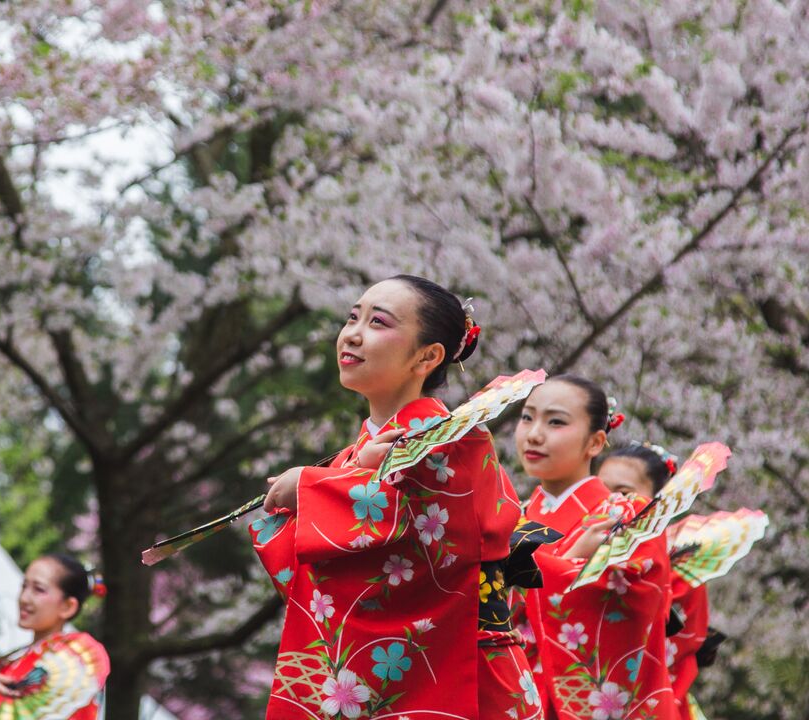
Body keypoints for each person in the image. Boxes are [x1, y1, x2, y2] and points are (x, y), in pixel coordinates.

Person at [250, 275, 543, 720]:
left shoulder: (454, 439)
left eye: (378, 322)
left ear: (428, 356)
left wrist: (312, 487)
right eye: (353, 317)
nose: (353, 333)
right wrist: (335, 480)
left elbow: (424, 531)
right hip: (373, 674)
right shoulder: (356, 455)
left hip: (465, 669)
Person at [514, 376, 675, 719]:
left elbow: (641, 600)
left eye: (555, 421)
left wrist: (529, 568)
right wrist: (570, 562)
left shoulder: (632, 516)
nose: (534, 434)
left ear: (595, 442)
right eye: (527, 417)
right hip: (520, 698)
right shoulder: (510, 517)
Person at [598, 443, 710, 720]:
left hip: (646, 692)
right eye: (601, 492)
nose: (611, 503)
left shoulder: (678, 566)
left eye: (624, 493)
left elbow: (682, 646)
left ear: (661, 501)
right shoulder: (585, 544)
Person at [0, 553, 109, 720]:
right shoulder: (24, 658)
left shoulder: (78, 654)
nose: (24, 598)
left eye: (39, 589)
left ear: (67, 606)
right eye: (24, 586)